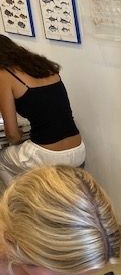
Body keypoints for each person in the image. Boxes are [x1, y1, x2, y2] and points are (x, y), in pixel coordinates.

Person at [0, 35, 85, 186]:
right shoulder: (43, 66)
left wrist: (19, 137)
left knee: (3, 159)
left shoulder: (4, 75)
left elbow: (12, 135)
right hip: (78, 149)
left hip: (48, 155)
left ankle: (16, 206)